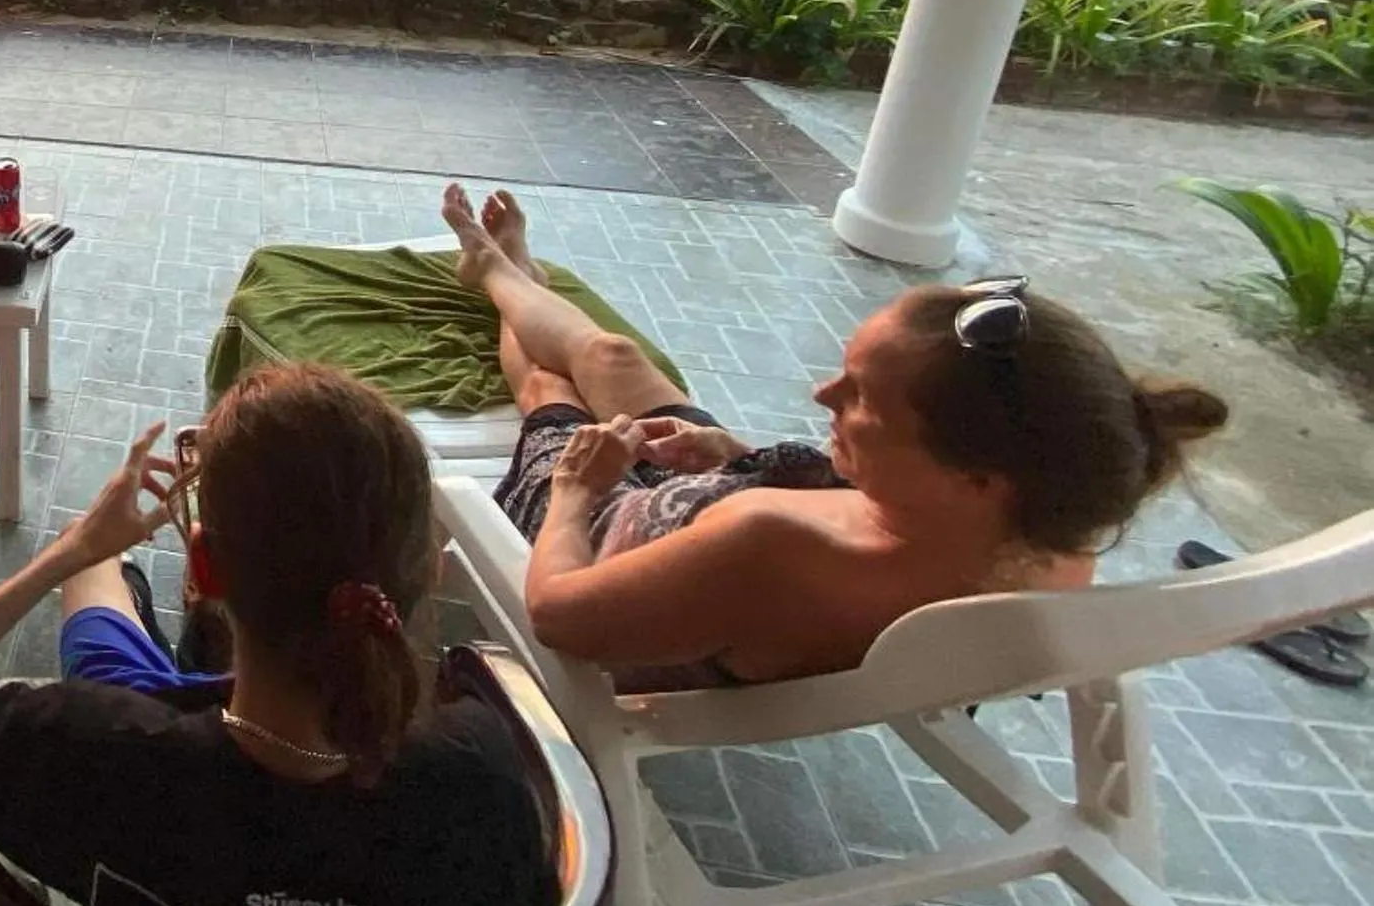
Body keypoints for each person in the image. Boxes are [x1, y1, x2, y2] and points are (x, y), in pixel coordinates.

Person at [0, 363, 559, 906]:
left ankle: (127, 585)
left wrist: (72, 552)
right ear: (427, 575)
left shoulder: (96, 756)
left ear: (206, 567)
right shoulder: (483, 782)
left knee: (108, 612)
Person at [443, 182, 1229, 690]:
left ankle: (492, 274)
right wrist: (737, 458)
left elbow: (557, 614)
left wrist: (578, 490)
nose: (821, 394)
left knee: (550, 390)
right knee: (609, 355)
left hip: (593, 532)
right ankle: (512, 276)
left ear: (976, 476)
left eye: (859, 402)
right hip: (719, 491)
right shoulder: (1048, 545)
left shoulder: (769, 545)